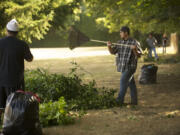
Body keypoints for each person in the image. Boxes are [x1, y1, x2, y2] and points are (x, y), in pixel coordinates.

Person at [0, 19, 33, 120]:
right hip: (16, 81)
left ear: (7, 30)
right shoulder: (22, 44)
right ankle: (13, 128)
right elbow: (30, 59)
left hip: (1, 80)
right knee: (15, 107)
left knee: (0, 106)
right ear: (17, 32)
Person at [107, 26, 142, 106]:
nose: (120, 34)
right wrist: (109, 46)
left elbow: (139, 55)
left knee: (123, 81)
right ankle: (134, 102)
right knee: (131, 83)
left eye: (121, 32)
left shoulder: (135, 42)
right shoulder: (119, 42)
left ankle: (119, 101)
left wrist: (134, 49)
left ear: (126, 33)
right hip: (122, 66)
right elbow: (112, 52)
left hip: (130, 67)